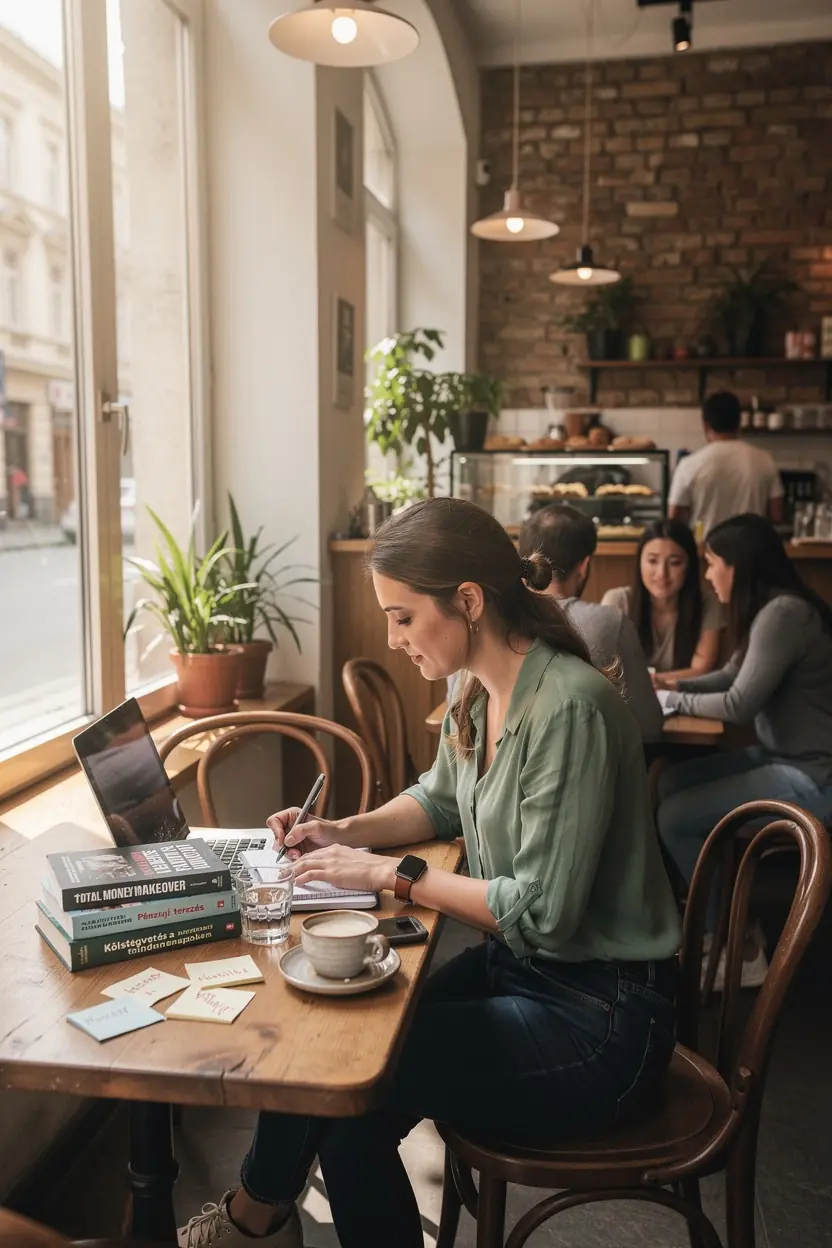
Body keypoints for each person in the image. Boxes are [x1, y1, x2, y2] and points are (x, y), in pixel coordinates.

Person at [177, 498, 682, 1248]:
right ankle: (261, 1217)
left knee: (350, 1088)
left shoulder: (569, 706)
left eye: (404, 616)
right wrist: (339, 831)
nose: (391, 636)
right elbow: (439, 798)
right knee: (330, 1052)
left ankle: (254, 1219)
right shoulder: (476, 691)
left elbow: (542, 913)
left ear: (469, 602)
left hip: (602, 1017)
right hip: (526, 975)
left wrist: (391, 875)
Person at [656, 514, 832, 988]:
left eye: (712, 563)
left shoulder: (784, 614)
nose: (708, 575)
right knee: (668, 782)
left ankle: (738, 948)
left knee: (674, 817)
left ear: (739, 565)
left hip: (814, 775)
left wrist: (673, 700)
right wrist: (667, 685)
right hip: (784, 757)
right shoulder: (769, 608)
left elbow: (738, 703)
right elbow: (731, 675)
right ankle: (723, 917)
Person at [519, 502, 663, 741]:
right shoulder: (609, 623)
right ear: (584, 566)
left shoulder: (490, 620)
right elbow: (649, 724)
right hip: (589, 775)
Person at [602, 519, 723, 683]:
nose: (662, 574)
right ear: (639, 563)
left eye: (674, 563)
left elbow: (701, 669)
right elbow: (607, 667)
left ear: (689, 566)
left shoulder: (707, 603)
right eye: (652, 561)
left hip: (684, 700)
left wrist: (653, 681)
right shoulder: (618, 601)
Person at [668, 391, 783, 533]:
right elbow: (776, 514)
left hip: (706, 549)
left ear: (705, 425)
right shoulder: (764, 460)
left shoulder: (688, 465)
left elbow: (674, 521)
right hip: (753, 549)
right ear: (739, 421)